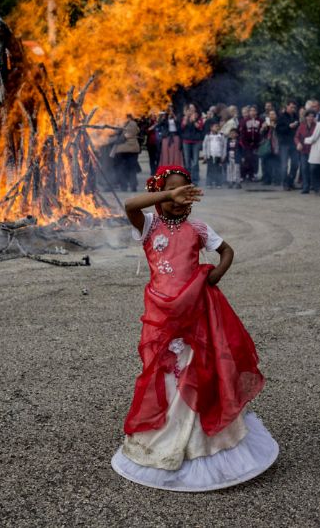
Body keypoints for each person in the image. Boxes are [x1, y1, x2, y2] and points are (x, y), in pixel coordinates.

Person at [111, 165, 279, 491]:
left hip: (196, 314)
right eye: (170, 193)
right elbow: (130, 204)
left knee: (196, 369)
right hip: (162, 317)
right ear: (160, 192)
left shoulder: (199, 228)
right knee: (165, 374)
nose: (176, 200)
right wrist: (167, 194)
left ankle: (202, 443)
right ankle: (167, 436)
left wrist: (215, 274)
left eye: (183, 192)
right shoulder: (148, 226)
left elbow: (227, 250)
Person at [113, 114, 141, 192]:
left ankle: (124, 186)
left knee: (122, 168)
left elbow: (116, 132)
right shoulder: (133, 123)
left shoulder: (120, 123)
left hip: (121, 149)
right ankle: (133, 185)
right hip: (133, 149)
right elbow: (137, 131)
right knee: (132, 168)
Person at [276, 100, 299, 191]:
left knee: (295, 164)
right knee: (284, 165)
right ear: (287, 106)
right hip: (284, 144)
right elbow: (278, 130)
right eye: (291, 107)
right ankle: (285, 183)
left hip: (294, 143)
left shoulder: (295, 116)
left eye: (294, 107)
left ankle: (290, 181)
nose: (293, 109)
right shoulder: (281, 117)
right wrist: (289, 127)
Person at [181, 104, 204, 183]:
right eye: (190, 108)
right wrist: (186, 119)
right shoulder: (185, 117)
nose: (191, 109)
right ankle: (187, 179)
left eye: (193, 107)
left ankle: (195, 179)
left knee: (195, 162)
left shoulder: (199, 117)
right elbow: (182, 127)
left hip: (196, 141)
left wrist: (194, 120)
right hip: (186, 141)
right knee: (187, 162)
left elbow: (200, 127)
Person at [295, 110, 316, 194]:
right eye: (309, 116)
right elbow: (296, 137)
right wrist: (298, 143)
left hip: (314, 151)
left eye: (312, 116)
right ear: (306, 117)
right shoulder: (301, 126)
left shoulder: (317, 126)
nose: (310, 118)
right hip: (304, 150)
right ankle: (305, 187)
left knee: (313, 169)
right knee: (304, 169)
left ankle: (314, 186)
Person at [239, 105, 262, 181]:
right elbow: (242, 133)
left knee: (254, 159)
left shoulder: (260, 120)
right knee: (246, 159)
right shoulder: (245, 121)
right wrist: (244, 143)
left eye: (254, 110)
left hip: (256, 144)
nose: (252, 112)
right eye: (251, 111)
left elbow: (262, 132)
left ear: (257, 112)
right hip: (246, 144)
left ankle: (252, 175)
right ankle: (243, 175)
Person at [202, 121, 226, 187]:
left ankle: (218, 183)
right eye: (215, 126)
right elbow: (204, 145)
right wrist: (205, 155)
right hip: (210, 155)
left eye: (218, 126)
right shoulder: (208, 136)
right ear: (211, 128)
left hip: (219, 155)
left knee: (218, 169)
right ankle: (209, 183)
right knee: (210, 170)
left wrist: (223, 155)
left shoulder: (221, 135)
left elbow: (224, 146)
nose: (217, 128)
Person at [260, 110, 280, 186]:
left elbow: (280, 133)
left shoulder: (278, 123)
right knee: (266, 164)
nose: (271, 116)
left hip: (276, 146)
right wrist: (263, 128)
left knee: (276, 163)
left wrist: (274, 127)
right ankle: (266, 180)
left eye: (273, 114)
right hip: (267, 146)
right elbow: (261, 134)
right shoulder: (265, 123)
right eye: (270, 114)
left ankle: (276, 180)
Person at [303, 119, 320, 194]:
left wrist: (305, 140)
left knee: (314, 169)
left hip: (317, 150)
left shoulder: (319, 124)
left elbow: (314, 138)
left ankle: (317, 188)